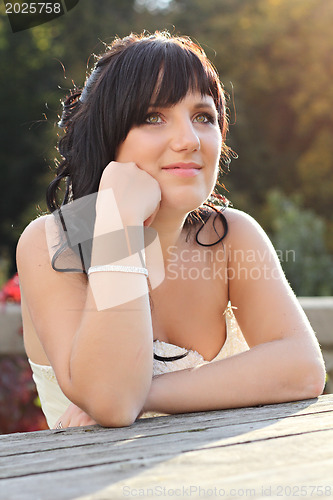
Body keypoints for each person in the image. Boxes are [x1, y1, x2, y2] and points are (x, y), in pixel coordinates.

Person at [16, 31, 325, 430]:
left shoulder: (231, 236)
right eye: (152, 117)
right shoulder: (52, 243)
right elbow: (112, 400)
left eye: (203, 117)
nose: (189, 140)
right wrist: (120, 223)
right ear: (107, 135)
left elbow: (302, 368)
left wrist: (149, 392)